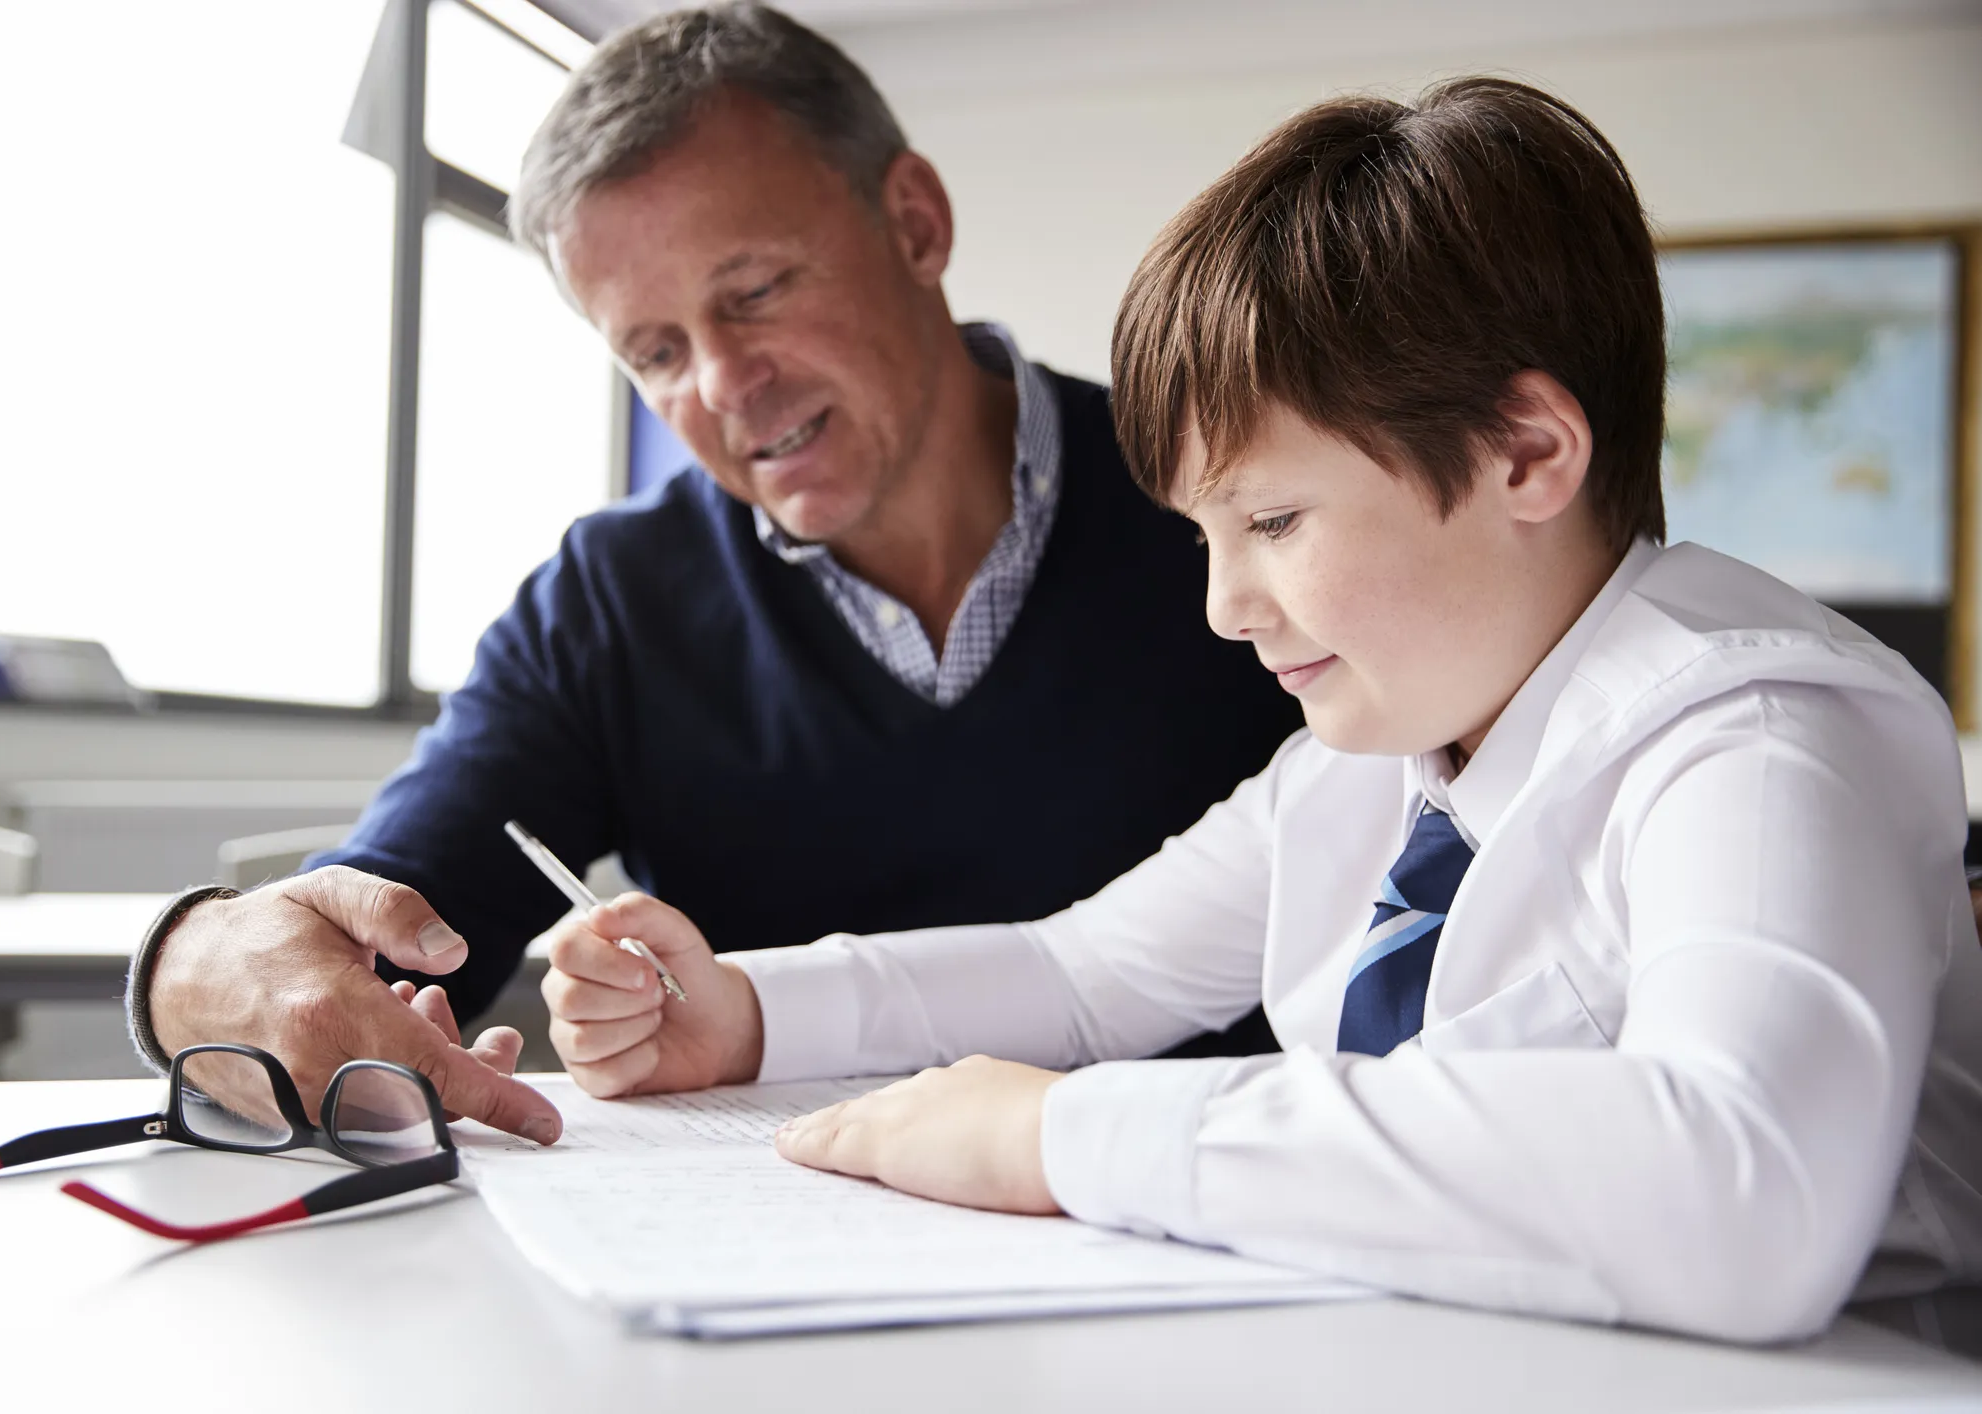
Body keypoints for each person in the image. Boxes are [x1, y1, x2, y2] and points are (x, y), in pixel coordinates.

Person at [538, 78, 1982, 1343]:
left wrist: (1070, 1136)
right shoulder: (1382, 755)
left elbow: (1745, 1187)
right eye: (1204, 536)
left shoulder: (1754, 732)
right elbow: (1082, 972)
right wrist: (743, 1010)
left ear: (1525, 450)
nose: (1225, 605)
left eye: (1275, 519)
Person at [124, 2, 1298, 1142]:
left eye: (755, 293)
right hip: (769, 1255)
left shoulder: (1232, 496)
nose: (727, 384)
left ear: (915, 223)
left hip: (1208, 1229)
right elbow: (386, 925)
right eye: (657, 351)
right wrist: (201, 957)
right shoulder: (611, 602)